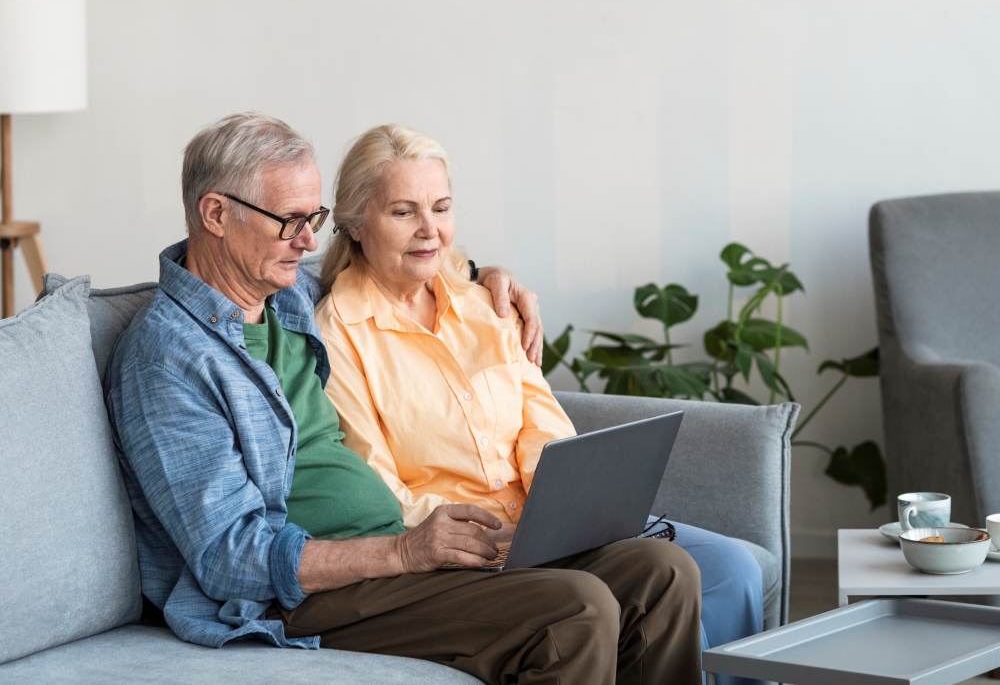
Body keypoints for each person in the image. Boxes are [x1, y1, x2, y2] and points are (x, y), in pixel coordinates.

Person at [104, 112, 702, 685]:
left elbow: (400, 255)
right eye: (290, 221)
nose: (309, 238)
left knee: (660, 572)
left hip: (395, 552)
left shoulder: (283, 295)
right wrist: (405, 551)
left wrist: (488, 275)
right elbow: (227, 558)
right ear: (215, 214)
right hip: (303, 596)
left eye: (314, 216)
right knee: (574, 609)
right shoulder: (167, 359)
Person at [312, 124, 764, 685]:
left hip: (538, 527)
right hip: (459, 546)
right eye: (403, 212)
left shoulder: (486, 305)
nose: (430, 230)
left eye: (442, 207)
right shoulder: (337, 334)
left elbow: (543, 426)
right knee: (600, 594)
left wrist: (565, 509)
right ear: (355, 223)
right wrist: (488, 535)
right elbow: (377, 489)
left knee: (668, 569)